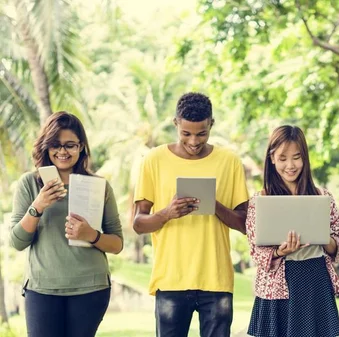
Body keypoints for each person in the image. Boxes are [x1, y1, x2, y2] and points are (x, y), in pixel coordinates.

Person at [133, 92, 249, 337]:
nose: (194, 141)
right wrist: (167, 213)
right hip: (171, 280)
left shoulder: (229, 162)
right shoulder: (154, 160)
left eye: (201, 133)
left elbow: (245, 223)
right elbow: (138, 223)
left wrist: (213, 204)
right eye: (186, 133)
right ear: (176, 123)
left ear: (211, 125)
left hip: (216, 280)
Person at [9, 111, 123, 337]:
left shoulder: (99, 186)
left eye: (70, 145)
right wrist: (38, 205)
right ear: (46, 147)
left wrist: (92, 235)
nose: (62, 151)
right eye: (56, 145)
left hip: (90, 288)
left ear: (81, 147)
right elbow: (17, 242)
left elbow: (117, 244)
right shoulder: (30, 184)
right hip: (42, 288)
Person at [245, 125, 339, 337]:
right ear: (271, 158)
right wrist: (281, 252)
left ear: (305, 158)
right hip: (277, 284)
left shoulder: (322, 196)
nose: (290, 165)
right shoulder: (260, 200)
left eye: (296, 158)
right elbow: (255, 251)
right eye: (282, 158)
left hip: (314, 278)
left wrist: (322, 236)